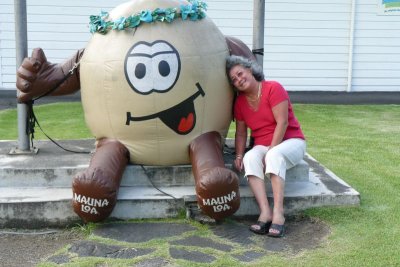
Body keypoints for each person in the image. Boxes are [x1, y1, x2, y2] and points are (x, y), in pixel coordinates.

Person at [226, 55, 306, 237]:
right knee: (250, 157)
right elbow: (240, 133)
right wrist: (239, 155)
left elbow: (282, 123)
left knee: (273, 155)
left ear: (250, 70)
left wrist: (270, 151)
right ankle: (265, 211)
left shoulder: (273, 88)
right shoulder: (240, 103)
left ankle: (278, 214)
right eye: (234, 79)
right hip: (264, 145)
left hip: (291, 141)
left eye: (240, 73)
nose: (238, 80)